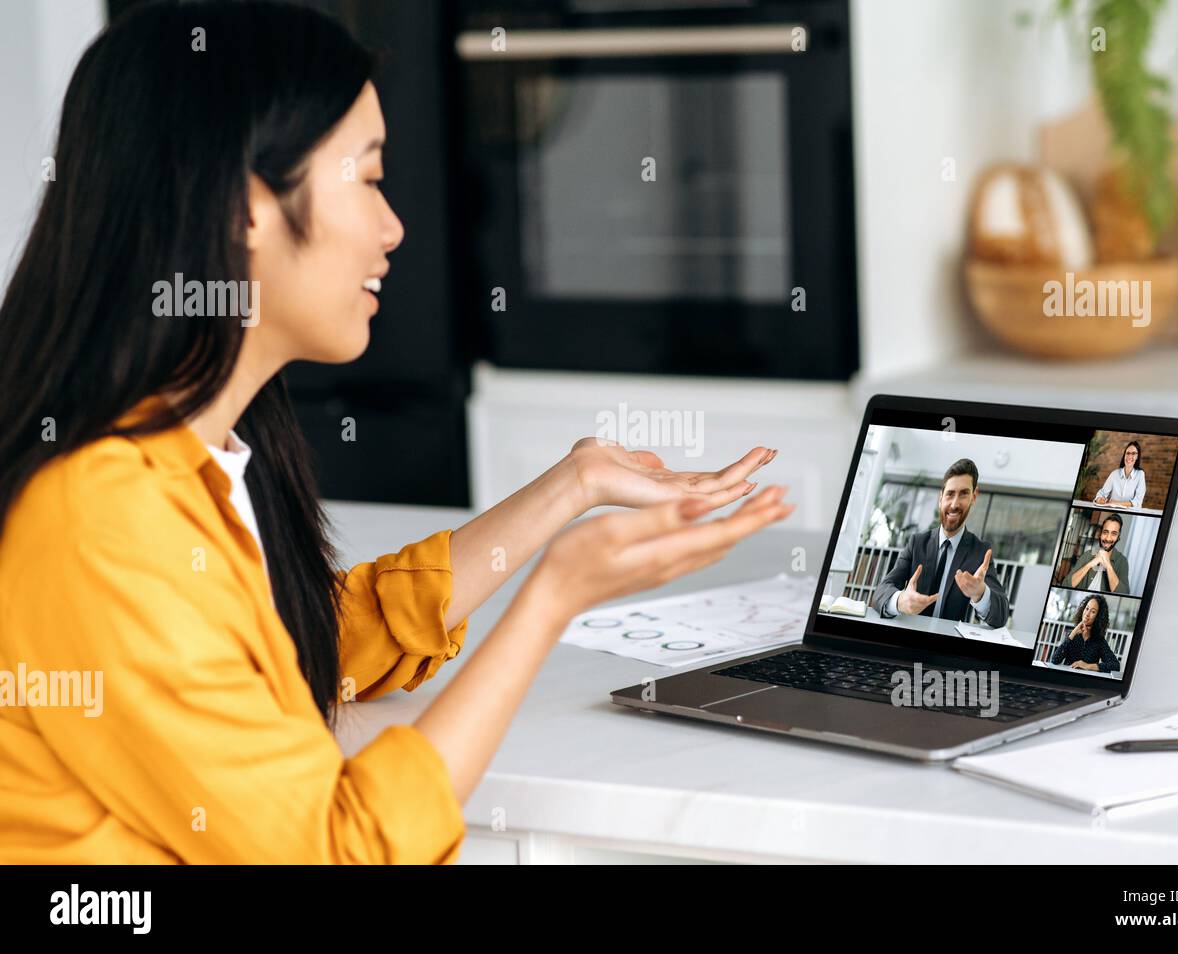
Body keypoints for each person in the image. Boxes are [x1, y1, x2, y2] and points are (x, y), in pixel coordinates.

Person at [0, 1, 795, 864]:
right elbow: (342, 853)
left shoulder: (179, 462)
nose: (394, 227)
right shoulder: (102, 519)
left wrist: (569, 489)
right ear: (244, 206)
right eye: (368, 177)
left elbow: (304, 645)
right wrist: (552, 596)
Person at [872, 458, 1009, 628]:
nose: (954, 504)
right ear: (941, 497)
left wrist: (980, 593)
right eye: (950, 494)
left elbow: (1001, 615)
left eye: (964, 494)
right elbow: (882, 590)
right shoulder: (917, 543)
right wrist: (900, 601)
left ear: (974, 497)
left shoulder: (980, 552)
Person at [1049, 595, 1120, 673]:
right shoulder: (1072, 635)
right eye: (1087, 608)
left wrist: (1087, 666)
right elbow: (1054, 660)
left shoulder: (1099, 641)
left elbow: (1115, 666)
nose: (1087, 614)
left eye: (1093, 611)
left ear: (1098, 617)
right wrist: (1072, 633)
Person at [1066, 512, 1130, 594]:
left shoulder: (1122, 561)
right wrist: (1090, 564)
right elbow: (1066, 584)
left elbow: (1124, 593)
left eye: (1114, 534)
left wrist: (1108, 566)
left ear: (1118, 537)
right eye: (1105, 532)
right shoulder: (1087, 555)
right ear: (1100, 534)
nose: (1108, 538)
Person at [1093, 440, 1146, 509]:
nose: (1130, 456)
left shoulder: (1140, 475)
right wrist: (1099, 499)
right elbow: (1102, 493)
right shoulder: (1115, 474)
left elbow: (1138, 501)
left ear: (1137, 457)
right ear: (1124, 455)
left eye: (1133, 453)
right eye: (1128, 453)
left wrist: (1116, 503)